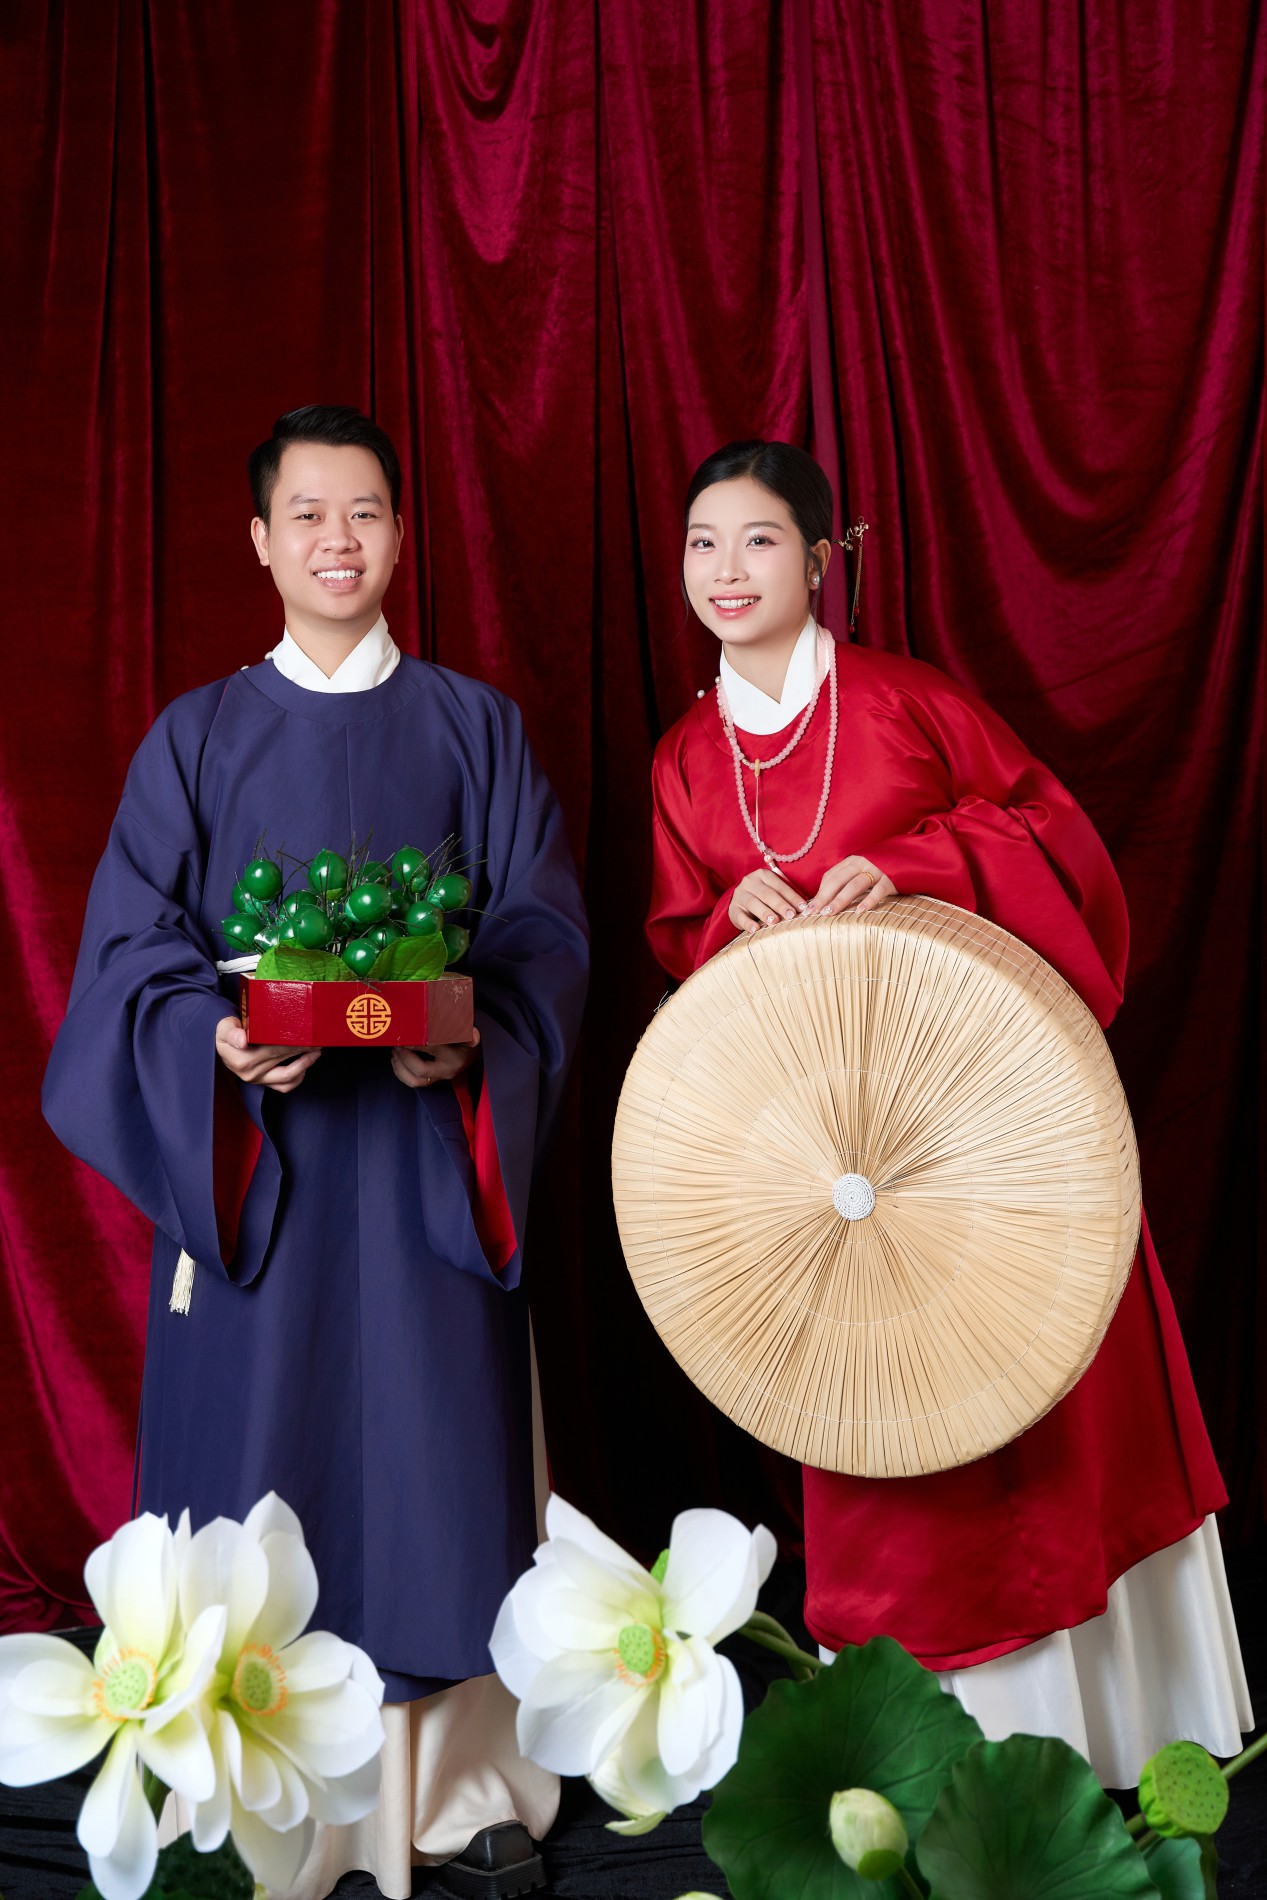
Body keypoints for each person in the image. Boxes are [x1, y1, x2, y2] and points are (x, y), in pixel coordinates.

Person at [645, 437, 1250, 1786]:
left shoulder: (910, 704)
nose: (727, 569)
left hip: (989, 1128)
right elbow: (680, 937)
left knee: (1048, 1412)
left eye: (759, 539)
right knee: (885, 1428)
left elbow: (1056, 843)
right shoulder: (685, 759)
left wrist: (921, 861)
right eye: (702, 542)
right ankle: (931, 1763)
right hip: (830, 1163)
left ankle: (1102, 1738)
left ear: (820, 559)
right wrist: (725, 919)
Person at [43, 405, 588, 1898]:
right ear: (260, 540)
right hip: (260, 1179)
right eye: (308, 515)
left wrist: (470, 1044)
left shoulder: (476, 726)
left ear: (402, 534)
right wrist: (212, 1047)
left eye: (366, 514)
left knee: (437, 1465)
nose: (338, 542)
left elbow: (541, 937)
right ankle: (258, 1806)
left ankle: (459, 1787)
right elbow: (128, 959)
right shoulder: (196, 737)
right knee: (259, 1468)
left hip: (426, 1172)